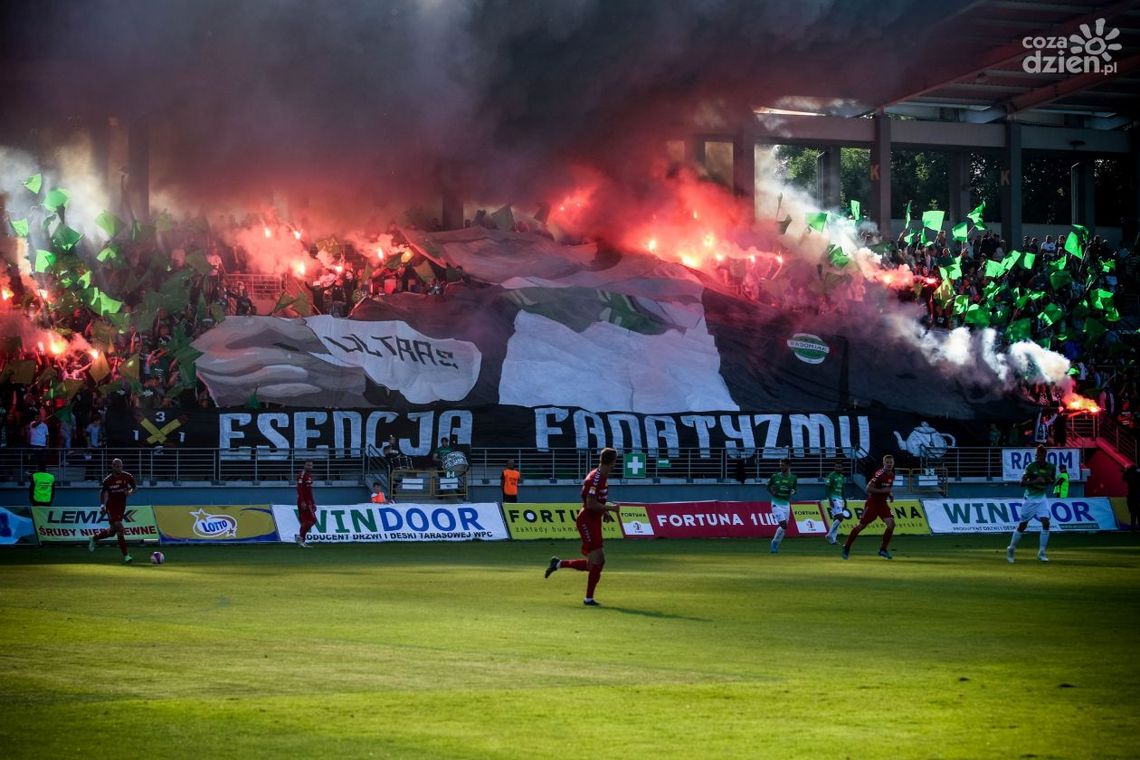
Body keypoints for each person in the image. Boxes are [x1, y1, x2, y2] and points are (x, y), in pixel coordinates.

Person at [544, 447, 622, 606]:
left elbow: (596, 502)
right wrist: (610, 509)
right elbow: (591, 504)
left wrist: (604, 513)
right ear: (613, 462)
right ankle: (588, 599)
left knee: (594, 563)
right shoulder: (595, 478)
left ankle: (558, 564)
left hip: (593, 520)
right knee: (598, 560)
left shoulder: (601, 476)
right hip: (587, 520)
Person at [1007, 445, 1058, 563]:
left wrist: (1047, 481)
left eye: (1039, 456)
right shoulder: (1031, 466)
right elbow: (1021, 483)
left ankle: (1041, 553)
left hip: (1041, 498)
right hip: (1029, 499)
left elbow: (1051, 480)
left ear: (1044, 456)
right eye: (1036, 455)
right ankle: (1011, 548)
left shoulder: (1051, 467)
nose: (1037, 457)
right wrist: (1035, 481)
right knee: (1022, 526)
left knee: (1046, 522)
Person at [842, 455, 897, 560]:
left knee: (891, 524)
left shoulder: (892, 475)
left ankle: (883, 550)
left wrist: (890, 494)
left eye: (891, 462)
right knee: (861, 526)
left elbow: (888, 488)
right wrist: (883, 491)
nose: (889, 464)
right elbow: (868, 488)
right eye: (887, 462)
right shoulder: (879, 474)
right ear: (884, 463)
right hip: (872, 503)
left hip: (882, 504)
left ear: (893, 463)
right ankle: (847, 546)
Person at [88, 458, 137, 563]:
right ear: (113, 467)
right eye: (117, 466)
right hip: (111, 507)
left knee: (112, 532)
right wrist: (102, 506)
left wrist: (130, 492)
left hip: (121, 506)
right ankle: (126, 556)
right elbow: (103, 493)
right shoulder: (108, 480)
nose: (120, 468)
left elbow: (135, 487)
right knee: (119, 527)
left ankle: (94, 538)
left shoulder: (128, 476)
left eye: (121, 466)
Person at [766, 458, 798, 553]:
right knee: (783, 525)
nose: (781, 466)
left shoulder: (793, 478)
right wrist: (772, 492)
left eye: (783, 465)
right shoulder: (775, 476)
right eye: (780, 464)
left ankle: (776, 545)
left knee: (784, 527)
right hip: (776, 503)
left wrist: (792, 492)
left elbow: (795, 489)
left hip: (786, 504)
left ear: (788, 466)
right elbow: (767, 486)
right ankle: (774, 542)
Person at [823, 461, 848, 545]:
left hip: (840, 499)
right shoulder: (831, 476)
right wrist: (829, 499)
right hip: (833, 499)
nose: (837, 468)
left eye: (839, 467)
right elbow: (826, 488)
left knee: (836, 519)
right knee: (840, 518)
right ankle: (829, 535)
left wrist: (845, 500)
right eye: (836, 467)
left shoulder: (842, 476)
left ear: (842, 468)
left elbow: (843, 489)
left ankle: (833, 539)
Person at [296, 460, 317, 547]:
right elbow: (299, 489)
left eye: (311, 465)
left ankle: (302, 541)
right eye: (308, 465)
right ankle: (300, 537)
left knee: (305, 521)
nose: (310, 467)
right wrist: (302, 501)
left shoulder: (309, 476)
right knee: (313, 520)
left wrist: (313, 502)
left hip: (309, 501)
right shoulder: (302, 475)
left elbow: (310, 490)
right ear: (304, 465)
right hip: (304, 501)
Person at [1122, 463, 1140, 532]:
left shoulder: (1130, 475)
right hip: (1137, 496)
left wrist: (1126, 470)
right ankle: (1136, 527)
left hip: (1132, 496)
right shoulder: (1137, 474)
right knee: (1137, 512)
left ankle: (1133, 527)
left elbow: (1124, 479)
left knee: (1133, 512)